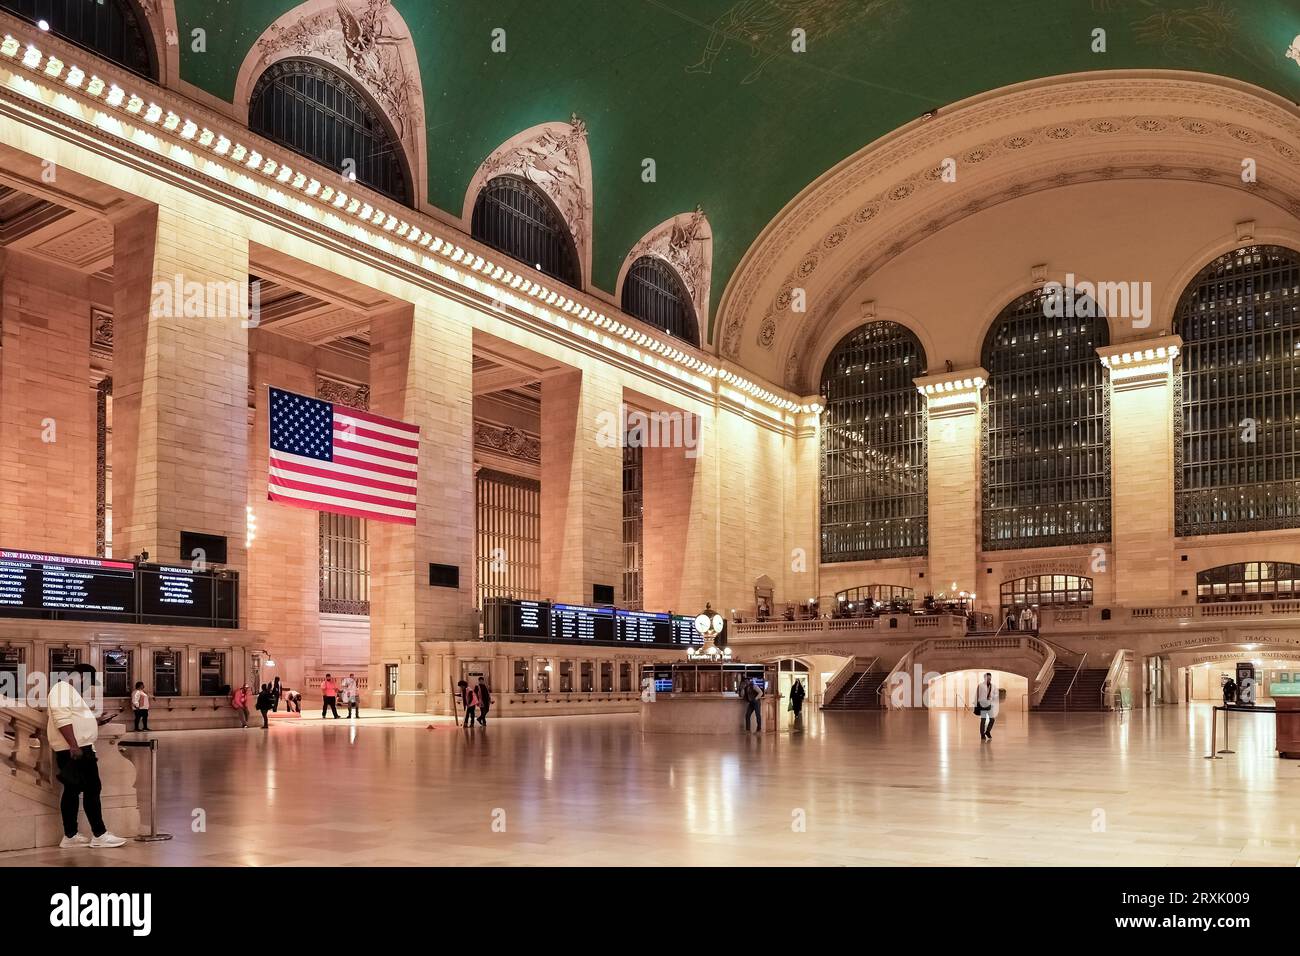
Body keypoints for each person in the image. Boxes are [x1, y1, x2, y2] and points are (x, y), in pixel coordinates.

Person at [48, 663, 127, 848]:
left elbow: (72, 718)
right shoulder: (62, 689)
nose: (88, 687)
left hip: (76, 748)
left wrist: (94, 721)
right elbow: (62, 718)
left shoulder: (68, 691)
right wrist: (74, 745)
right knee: (92, 789)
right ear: (81, 677)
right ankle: (99, 835)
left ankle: (70, 835)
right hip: (76, 750)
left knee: (73, 791)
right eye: (89, 682)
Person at [975, 672, 999, 740]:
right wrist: (977, 704)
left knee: (992, 719)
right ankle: (982, 734)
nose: (989, 679)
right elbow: (977, 695)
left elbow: (994, 694)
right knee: (983, 720)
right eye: (988, 678)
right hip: (982, 705)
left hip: (989, 704)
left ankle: (987, 731)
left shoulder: (992, 686)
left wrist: (992, 698)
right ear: (985, 678)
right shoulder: (980, 686)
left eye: (990, 678)